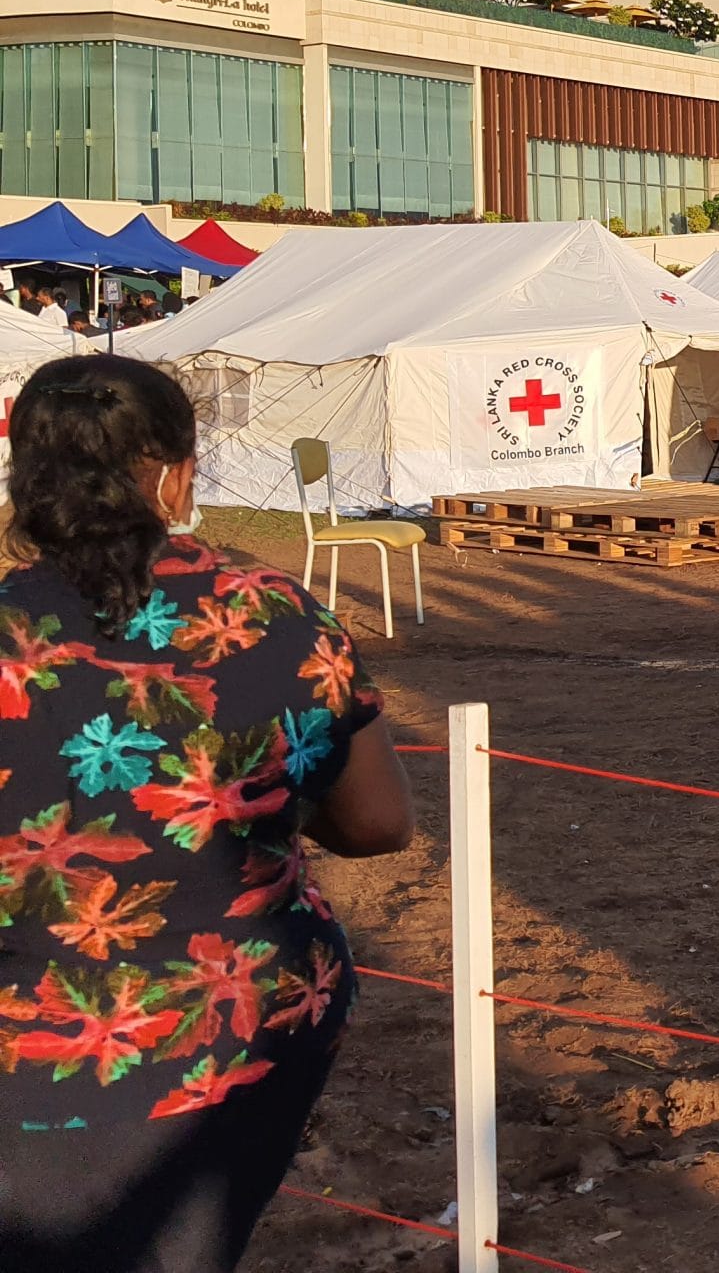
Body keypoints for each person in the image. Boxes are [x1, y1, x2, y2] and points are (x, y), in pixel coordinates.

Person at [0, 354, 414, 1272]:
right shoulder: (276, 617)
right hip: (237, 1033)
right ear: (180, 474)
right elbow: (380, 822)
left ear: (25, 475)